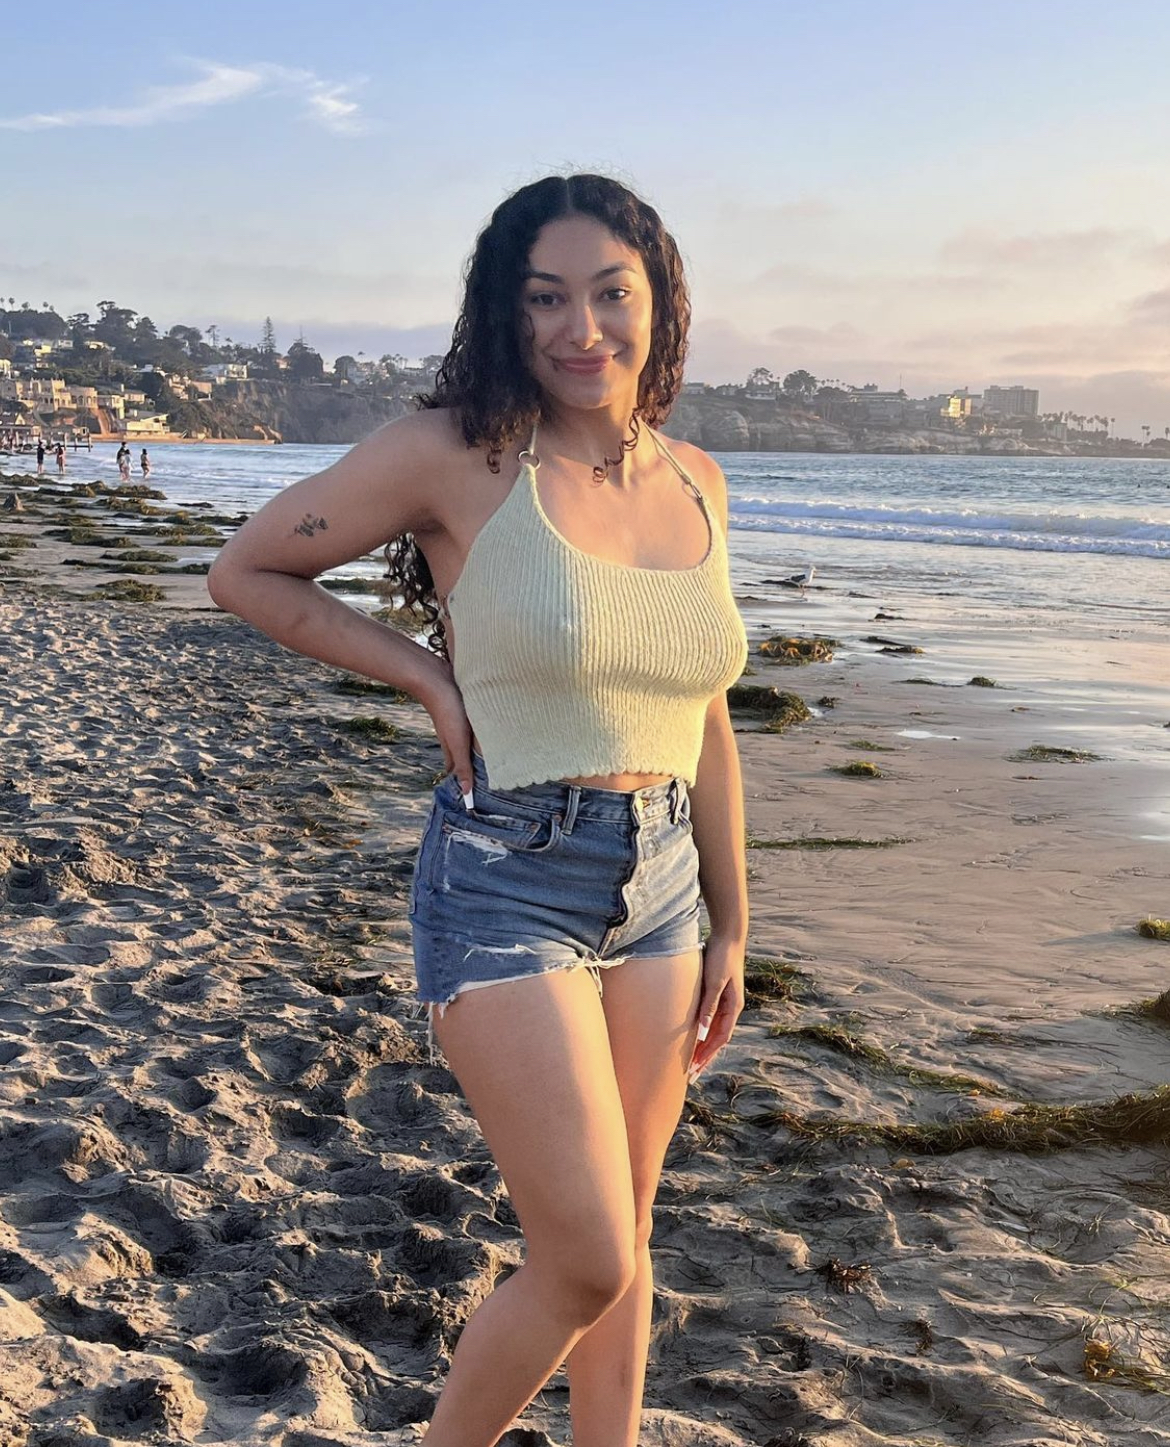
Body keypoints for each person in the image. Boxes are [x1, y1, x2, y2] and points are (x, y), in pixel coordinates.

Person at [207, 173, 749, 1447]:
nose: (581, 329)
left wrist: (732, 918)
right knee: (586, 1254)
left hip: (664, 887)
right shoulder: (457, 453)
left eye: (611, 294)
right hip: (508, 873)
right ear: (508, 314)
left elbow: (708, 716)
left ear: (660, 302)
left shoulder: (698, 480)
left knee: (629, 1232)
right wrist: (428, 677)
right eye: (545, 299)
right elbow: (249, 568)